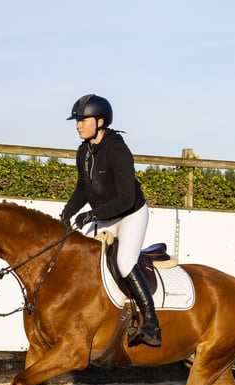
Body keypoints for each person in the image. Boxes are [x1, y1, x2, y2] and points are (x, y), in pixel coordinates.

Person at [60, 94, 162, 347]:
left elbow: (126, 199)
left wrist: (92, 215)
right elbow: (83, 188)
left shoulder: (118, 150)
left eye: (83, 119)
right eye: (77, 120)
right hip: (106, 215)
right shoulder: (84, 150)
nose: (78, 125)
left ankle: (151, 323)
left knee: (124, 261)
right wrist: (68, 211)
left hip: (130, 214)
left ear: (101, 121)